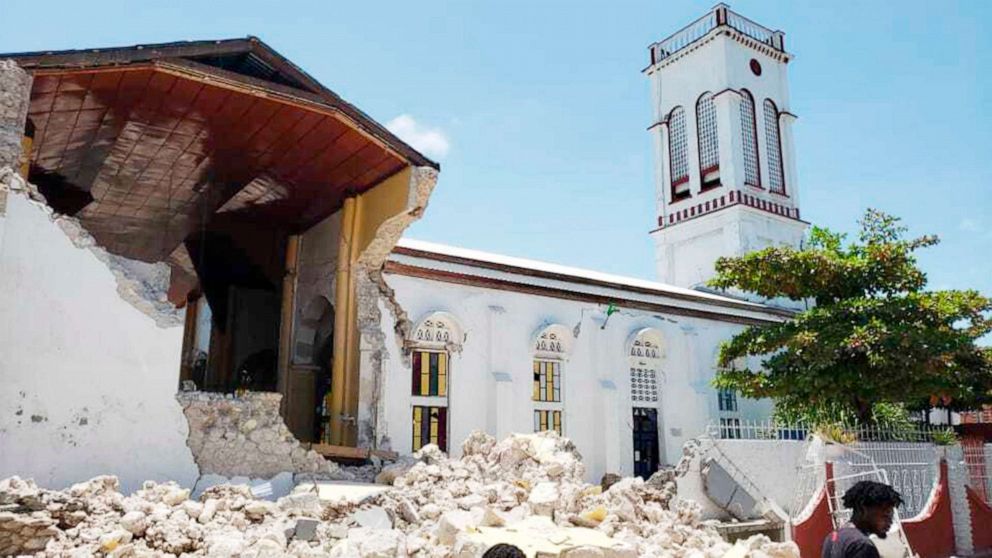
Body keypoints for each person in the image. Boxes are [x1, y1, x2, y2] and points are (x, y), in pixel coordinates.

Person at [822, 480, 904, 558]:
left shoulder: (833, 536)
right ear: (863, 509)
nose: (890, 521)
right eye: (885, 515)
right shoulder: (862, 546)